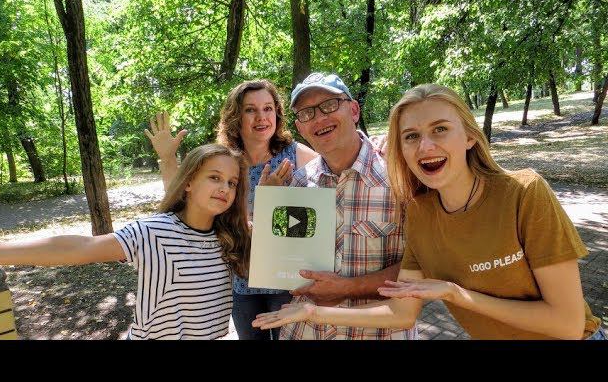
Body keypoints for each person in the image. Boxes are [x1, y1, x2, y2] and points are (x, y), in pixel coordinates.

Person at [253, 83, 606, 340]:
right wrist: (311, 310)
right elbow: (401, 311)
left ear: (470, 136)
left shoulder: (524, 192)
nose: (426, 146)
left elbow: (568, 324)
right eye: (411, 136)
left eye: (440, 129)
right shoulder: (420, 210)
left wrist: (455, 293)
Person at [0, 144, 251, 340]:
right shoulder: (154, 232)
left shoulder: (230, 237)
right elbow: (82, 247)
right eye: (215, 177)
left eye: (232, 182)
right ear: (188, 182)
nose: (225, 188)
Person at [146, 80, 318, 340]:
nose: (261, 117)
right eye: (250, 110)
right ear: (235, 116)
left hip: (288, 283)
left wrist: (374, 146)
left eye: (268, 108)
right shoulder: (224, 162)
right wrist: (168, 159)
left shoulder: (297, 155)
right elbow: (184, 199)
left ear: (277, 113)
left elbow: (333, 182)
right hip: (242, 284)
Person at [261, 72, 416, 340]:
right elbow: (284, 266)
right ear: (300, 128)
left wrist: (347, 287)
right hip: (306, 332)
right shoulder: (299, 183)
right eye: (307, 113)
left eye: (329, 105)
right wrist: (270, 209)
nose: (319, 118)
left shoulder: (401, 178)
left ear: (354, 110)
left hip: (378, 333)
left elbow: (421, 269)